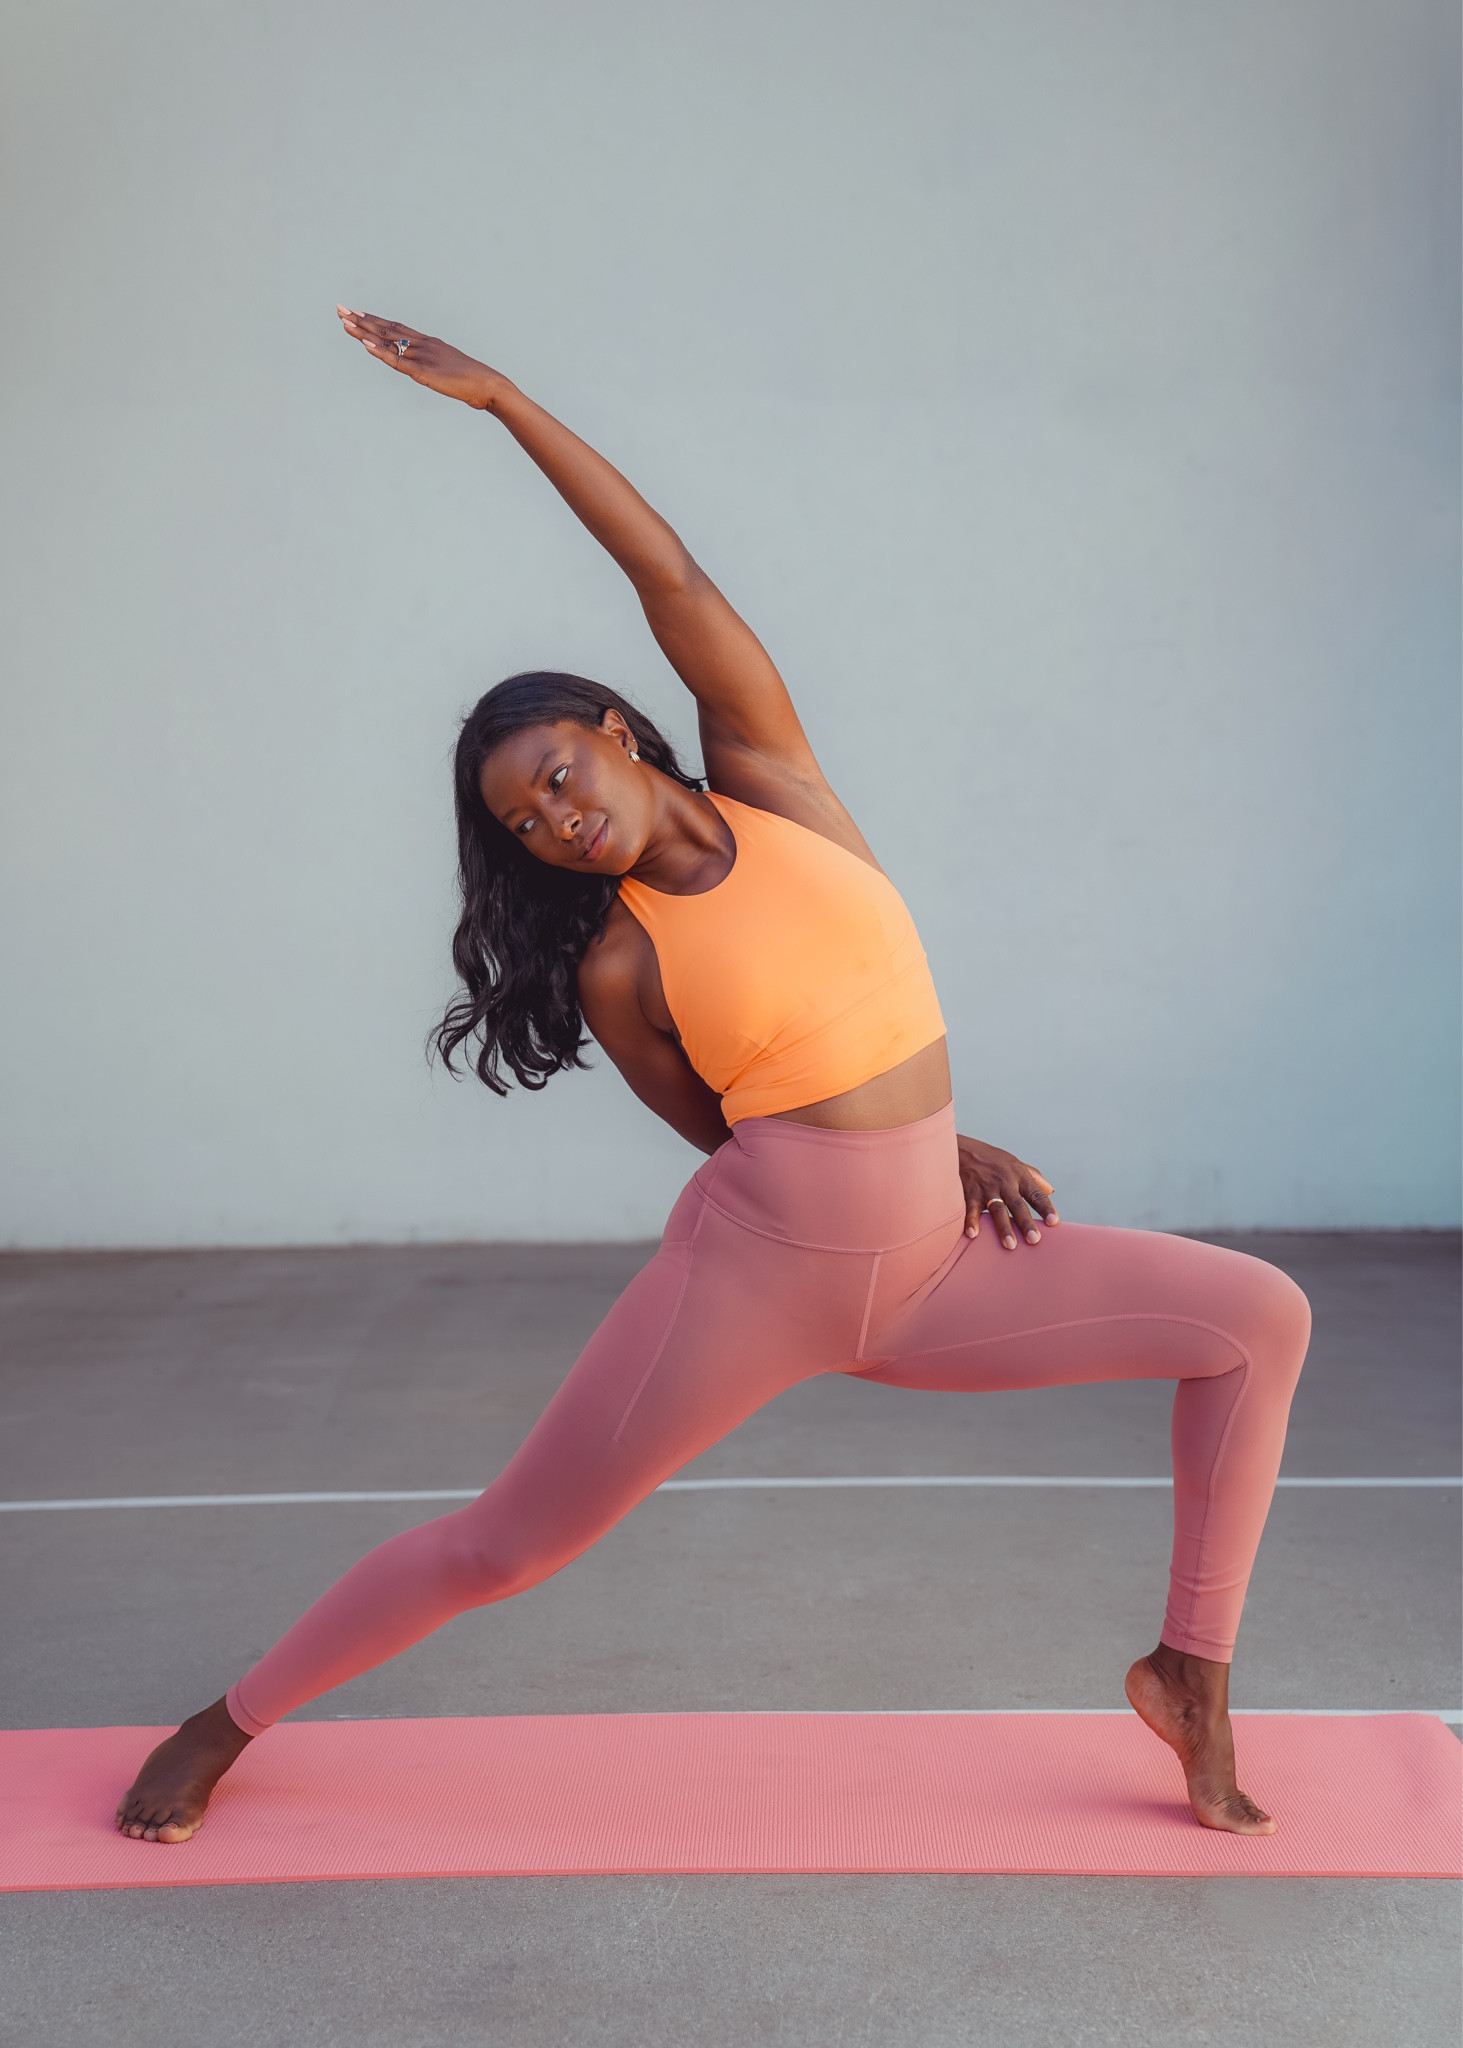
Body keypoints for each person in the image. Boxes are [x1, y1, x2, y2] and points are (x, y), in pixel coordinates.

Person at [115, 308, 1311, 1845]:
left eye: (561, 778)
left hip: (940, 1271)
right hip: (762, 1277)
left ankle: (1188, 1674)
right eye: (529, 824)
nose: (558, 822)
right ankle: (226, 1723)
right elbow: (735, 1130)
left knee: (1257, 1321)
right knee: (508, 1547)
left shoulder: (777, 781)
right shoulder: (619, 961)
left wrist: (504, 403)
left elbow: (665, 575)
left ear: (619, 732)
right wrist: (896, 1166)